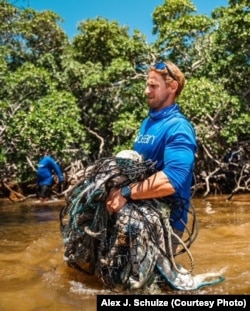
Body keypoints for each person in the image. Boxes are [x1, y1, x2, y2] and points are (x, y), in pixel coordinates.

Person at [106, 61, 197, 253]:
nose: (147, 91)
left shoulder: (178, 127)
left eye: (153, 85)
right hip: (138, 211)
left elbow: (174, 179)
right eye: (147, 84)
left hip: (167, 224)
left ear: (172, 87)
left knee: (141, 283)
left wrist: (126, 193)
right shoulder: (147, 123)